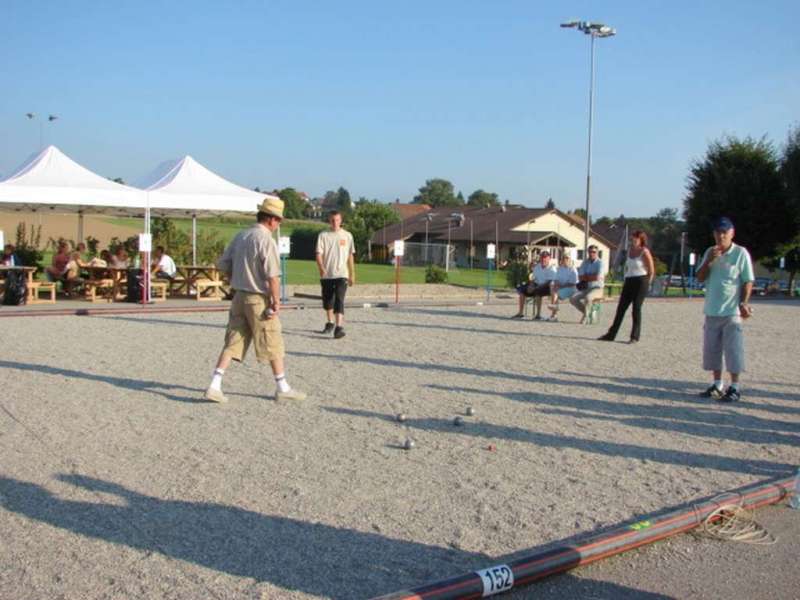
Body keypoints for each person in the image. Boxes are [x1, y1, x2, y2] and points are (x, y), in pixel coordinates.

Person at [204, 197, 306, 403]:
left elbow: (222, 264)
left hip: (238, 296)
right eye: (278, 220)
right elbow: (273, 276)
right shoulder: (266, 239)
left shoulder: (241, 235)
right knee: (272, 340)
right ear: (271, 219)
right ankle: (282, 386)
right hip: (258, 298)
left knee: (233, 340)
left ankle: (214, 385)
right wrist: (276, 302)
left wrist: (235, 277)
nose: (279, 224)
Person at [696, 217, 754, 403]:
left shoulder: (740, 253)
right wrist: (709, 261)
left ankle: (735, 386)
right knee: (712, 350)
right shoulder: (709, 252)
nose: (721, 235)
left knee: (733, 350)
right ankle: (717, 383)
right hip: (712, 309)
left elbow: (747, 280)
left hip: (731, 311)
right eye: (717, 232)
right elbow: (700, 277)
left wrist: (744, 302)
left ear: (732, 233)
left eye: (724, 232)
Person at [599, 230, 655, 343]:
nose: (633, 240)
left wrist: (648, 283)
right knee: (621, 308)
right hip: (629, 280)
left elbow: (651, 270)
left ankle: (634, 336)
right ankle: (611, 334)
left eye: (636, 238)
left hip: (641, 281)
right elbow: (627, 267)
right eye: (632, 238)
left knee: (636, 308)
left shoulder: (644, 251)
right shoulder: (629, 251)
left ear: (641, 240)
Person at [315, 210, 355, 339]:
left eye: (337, 220)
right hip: (327, 274)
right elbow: (318, 254)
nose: (335, 222)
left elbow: (350, 255)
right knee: (328, 301)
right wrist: (321, 267)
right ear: (329, 221)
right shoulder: (323, 235)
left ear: (341, 221)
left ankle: (339, 327)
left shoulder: (347, 236)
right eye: (332, 220)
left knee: (339, 299)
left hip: (342, 274)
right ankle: (330, 322)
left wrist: (352, 273)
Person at [511, 251, 557, 319]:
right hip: (536, 285)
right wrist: (531, 285)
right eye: (542, 257)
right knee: (522, 291)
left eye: (545, 258)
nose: (543, 259)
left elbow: (550, 281)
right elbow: (533, 278)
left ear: (549, 258)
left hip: (547, 287)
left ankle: (538, 315)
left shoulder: (552, 268)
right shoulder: (537, 267)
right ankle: (520, 313)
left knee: (538, 292)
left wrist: (537, 287)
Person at [570, 245, 605, 324]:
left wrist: (587, 277)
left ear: (597, 253)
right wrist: (591, 276)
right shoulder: (585, 262)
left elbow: (597, 277)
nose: (591, 253)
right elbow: (580, 277)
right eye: (590, 252)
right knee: (573, 298)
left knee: (588, 297)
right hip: (586, 287)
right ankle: (587, 313)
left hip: (598, 288)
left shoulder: (600, 263)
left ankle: (586, 317)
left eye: (593, 252)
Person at [547, 254, 579, 321]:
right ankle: (554, 311)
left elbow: (573, 283)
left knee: (555, 293)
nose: (565, 260)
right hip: (561, 288)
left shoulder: (573, 270)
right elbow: (556, 279)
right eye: (564, 258)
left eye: (567, 258)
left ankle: (553, 314)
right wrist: (556, 284)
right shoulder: (559, 269)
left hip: (571, 289)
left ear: (570, 260)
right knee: (553, 287)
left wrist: (560, 286)